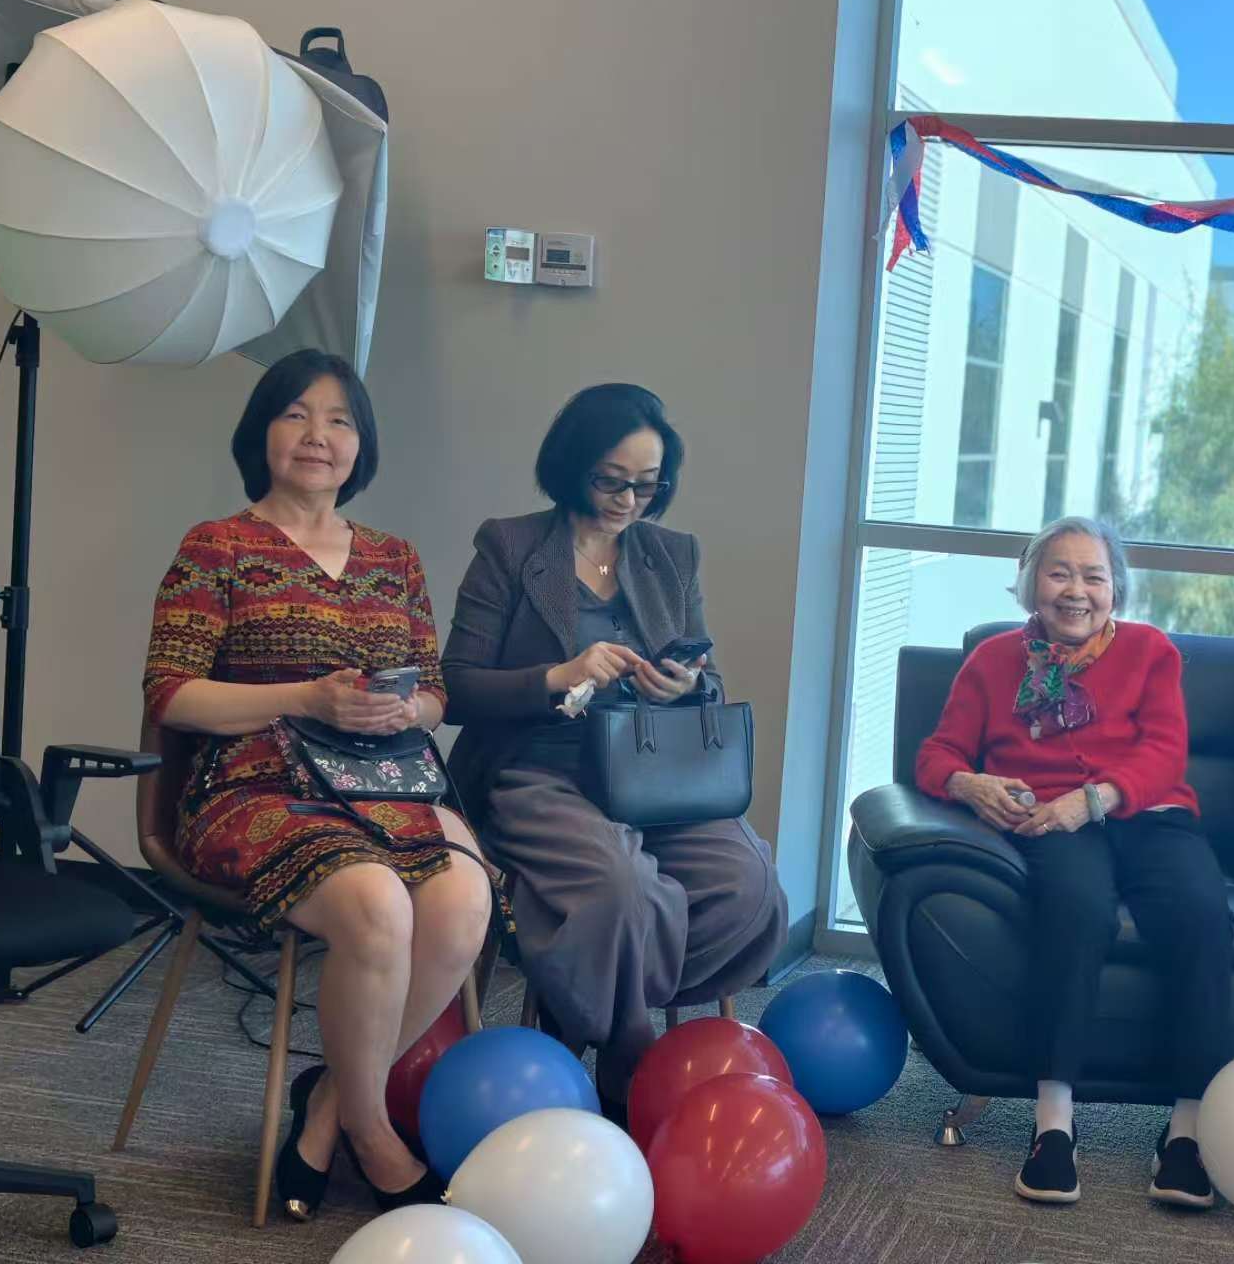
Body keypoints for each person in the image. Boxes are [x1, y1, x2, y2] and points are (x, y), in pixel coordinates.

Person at [142, 350, 491, 1217]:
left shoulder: (394, 559)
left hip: (385, 780)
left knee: (463, 902)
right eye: (295, 414)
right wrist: (305, 697)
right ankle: (374, 1136)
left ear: (360, 445)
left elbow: (436, 694)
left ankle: (329, 1107)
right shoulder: (216, 546)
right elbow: (171, 695)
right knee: (376, 905)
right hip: (253, 787)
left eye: (339, 420)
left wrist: (406, 709)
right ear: (261, 432)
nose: (317, 436)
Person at [440, 383, 786, 1115]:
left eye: (647, 485)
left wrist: (684, 685)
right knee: (622, 890)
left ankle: (580, 999)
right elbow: (457, 688)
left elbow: (709, 679)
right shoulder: (509, 547)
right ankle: (628, 1047)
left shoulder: (672, 554)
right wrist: (556, 676)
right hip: (538, 767)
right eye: (611, 481)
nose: (628, 501)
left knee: (747, 884)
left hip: (652, 770)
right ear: (573, 467)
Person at [915, 516, 1233, 1210]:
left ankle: (1185, 1132)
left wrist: (1091, 800)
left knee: (1203, 914)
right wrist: (970, 785)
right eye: (1059, 573)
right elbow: (937, 754)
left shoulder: (1150, 651)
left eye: (1093, 576)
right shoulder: (992, 660)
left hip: (1146, 814)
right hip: (1048, 823)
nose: (1076, 591)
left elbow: (1164, 753)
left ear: (1115, 589)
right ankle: (1053, 1124)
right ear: (1031, 583)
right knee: (1076, 910)